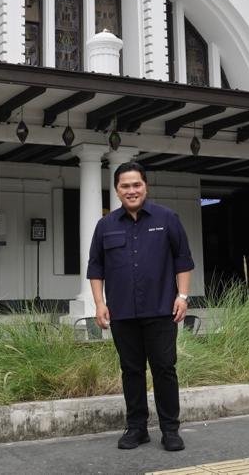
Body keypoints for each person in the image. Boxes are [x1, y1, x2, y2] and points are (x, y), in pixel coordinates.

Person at [87, 161, 195, 452]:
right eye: (125, 186)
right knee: (131, 370)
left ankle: (170, 430)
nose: (131, 190)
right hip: (122, 313)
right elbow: (95, 268)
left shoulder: (167, 218)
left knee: (164, 369)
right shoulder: (105, 225)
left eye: (136, 184)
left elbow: (183, 260)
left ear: (145, 186)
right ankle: (136, 428)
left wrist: (182, 297)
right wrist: (99, 304)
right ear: (117, 190)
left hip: (161, 309)